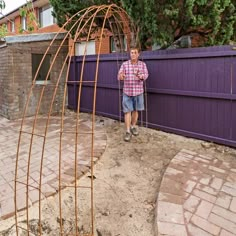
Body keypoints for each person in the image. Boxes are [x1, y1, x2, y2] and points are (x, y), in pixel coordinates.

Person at [118, 46, 149, 142]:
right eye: (131, 52)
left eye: (135, 52)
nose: (133, 54)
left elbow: (146, 75)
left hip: (138, 92)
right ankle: (127, 131)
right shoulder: (124, 64)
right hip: (127, 91)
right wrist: (122, 76)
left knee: (136, 110)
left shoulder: (142, 65)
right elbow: (119, 76)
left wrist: (141, 76)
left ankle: (133, 126)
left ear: (138, 54)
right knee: (127, 111)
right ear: (130, 54)